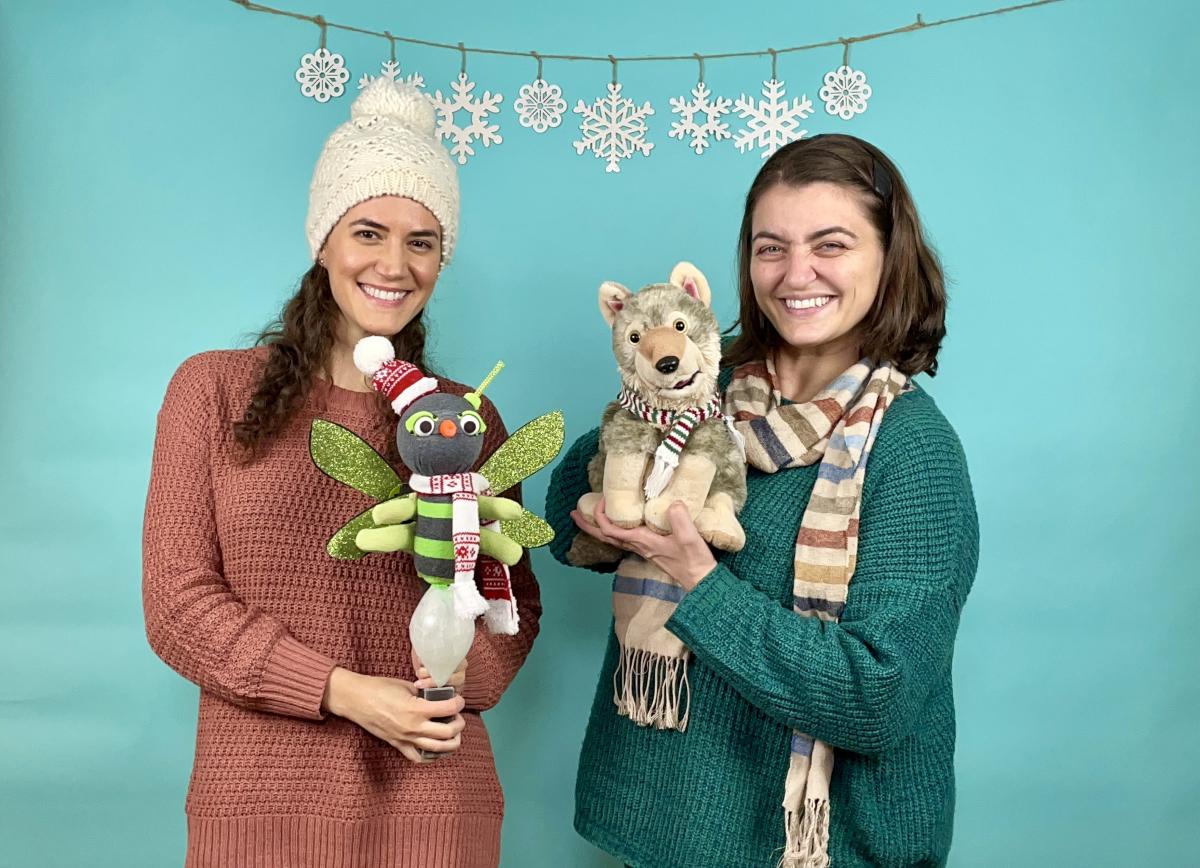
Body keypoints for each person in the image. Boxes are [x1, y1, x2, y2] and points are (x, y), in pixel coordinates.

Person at [546, 133, 978, 868]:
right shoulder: (708, 377)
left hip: (811, 847)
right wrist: (611, 495)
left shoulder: (914, 453)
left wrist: (699, 582)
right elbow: (561, 516)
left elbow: (875, 698)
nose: (795, 273)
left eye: (831, 244)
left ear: (887, 255)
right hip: (661, 825)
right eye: (770, 247)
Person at [142, 77, 540, 868]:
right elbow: (176, 604)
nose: (395, 264)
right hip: (260, 806)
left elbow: (514, 605)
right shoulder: (213, 390)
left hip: (436, 807)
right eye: (369, 231)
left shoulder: (466, 420)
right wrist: (346, 692)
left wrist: (457, 669)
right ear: (323, 239)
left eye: (422, 241)